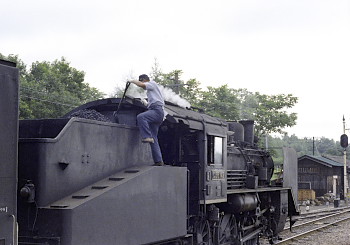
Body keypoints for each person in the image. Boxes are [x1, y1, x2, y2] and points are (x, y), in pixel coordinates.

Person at [129, 74, 165, 166]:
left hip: (156, 111)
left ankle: (146, 136)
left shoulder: (152, 83)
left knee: (141, 117)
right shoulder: (152, 92)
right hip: (156, 110)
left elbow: (142, 85)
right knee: (154, 139)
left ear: (144, 80)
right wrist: (146, 102)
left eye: (141, 81)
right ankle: (158, 161)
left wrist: (132, 81)